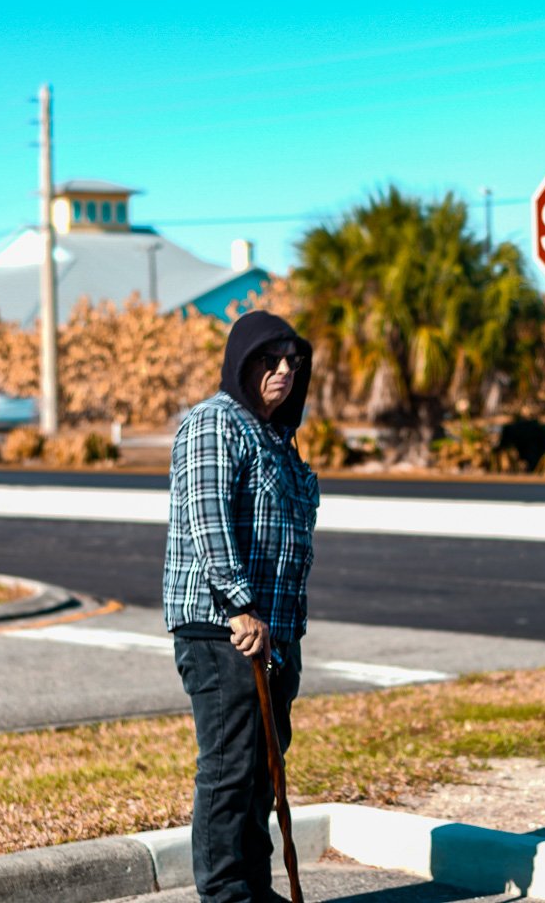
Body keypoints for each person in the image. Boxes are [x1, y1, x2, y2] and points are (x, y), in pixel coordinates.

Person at [163, 309, 319, 903]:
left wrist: (281, 628)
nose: (283, 371)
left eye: (292, 363)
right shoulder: (214, 423)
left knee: (262, 770)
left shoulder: (278, 439)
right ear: (241, 363)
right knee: (231, 769)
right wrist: (239, 605)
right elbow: (208, 520)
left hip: (273, 633)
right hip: (224, 629)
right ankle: (226, 895)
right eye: (269, 361)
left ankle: (254, 887)